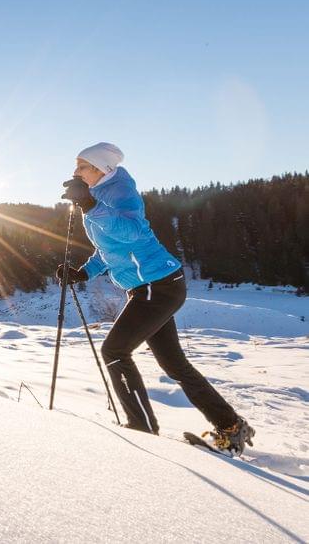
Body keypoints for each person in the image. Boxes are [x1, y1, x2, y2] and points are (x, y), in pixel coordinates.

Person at [58, 142, 254, 455]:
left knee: (115, 351)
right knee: (174, 364)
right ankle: (231, 426)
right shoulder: (97, 198)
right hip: (150, 287)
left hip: (157, 285)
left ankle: (142, 429)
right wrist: (83, 272)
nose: (75, 171)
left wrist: (91, 207)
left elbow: (134, 232)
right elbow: (109, 249)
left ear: (101, 169)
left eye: (82, 165)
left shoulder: (121, 193)